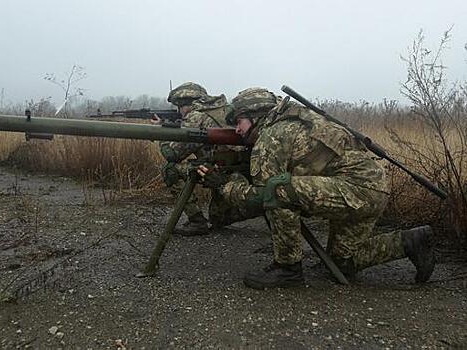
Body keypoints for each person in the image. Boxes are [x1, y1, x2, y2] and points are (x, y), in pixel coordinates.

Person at [198, 87, 435, 289]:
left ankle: (288, 268)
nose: (237, 130)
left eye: (239, 122)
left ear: (255, 115)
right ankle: (411, 242)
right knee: (343, 262)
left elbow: (261, 198)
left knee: (278, 191)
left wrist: (224, 184)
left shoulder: (272, 136)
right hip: (371, 189)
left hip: (355, 191)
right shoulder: (297, 120)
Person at [160, 82, 253, 235]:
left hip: (217, 172)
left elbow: (172, 154)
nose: (179, 111)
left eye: (179, 107)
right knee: (218, 220)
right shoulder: (225, 109)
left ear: (186, 104)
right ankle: (261, 207)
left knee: (170, 170)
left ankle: (197, 221)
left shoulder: (196, 116)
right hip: (240, 171)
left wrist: (162, 134)